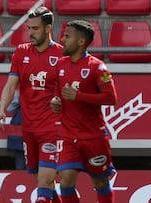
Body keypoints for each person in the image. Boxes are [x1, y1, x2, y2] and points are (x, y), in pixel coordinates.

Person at [0, 6, 63, 203]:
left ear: (48, 28)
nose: (31, 33)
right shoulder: (21, 52)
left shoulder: (62, 54)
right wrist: (1, 109)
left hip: (52, 126)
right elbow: (11, 84)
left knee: (44, 181)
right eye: (29, 28)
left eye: (35, 28)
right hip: (29, 127)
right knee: (41, 180)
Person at [50, 20, 117, 203]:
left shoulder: (98, 67)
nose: (62, 39)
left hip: (93, 136)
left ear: (81, 41)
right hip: (67, 135)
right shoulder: (61, 65)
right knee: (65, 181)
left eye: (67, 36)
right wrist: (56, 100)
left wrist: (78, 96)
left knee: (100, 183)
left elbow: (111, 98)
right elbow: (59, 89)